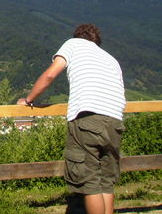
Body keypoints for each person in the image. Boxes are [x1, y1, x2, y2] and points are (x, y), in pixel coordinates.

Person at [17, 23, 126, 214]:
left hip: (88, 118)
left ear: (78, 36)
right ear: (96, 41)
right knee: (106, 182)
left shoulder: (73, 44)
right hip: (115, 122)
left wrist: (28, 100)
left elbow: (50, 75)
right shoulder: (111, 59)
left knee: (88, 182)